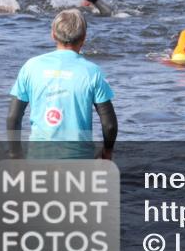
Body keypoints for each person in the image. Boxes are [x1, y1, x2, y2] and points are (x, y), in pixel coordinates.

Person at [6, 9, 117, 159]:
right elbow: (109, 125)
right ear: (84, 38)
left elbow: (13, 117)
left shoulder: (31, 67)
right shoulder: (92, 72)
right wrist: (107, 152)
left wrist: (15, 154)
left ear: (53, 34)